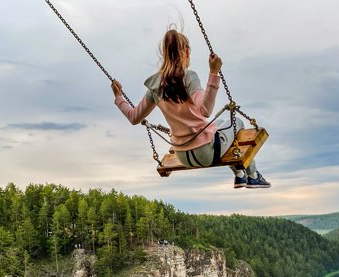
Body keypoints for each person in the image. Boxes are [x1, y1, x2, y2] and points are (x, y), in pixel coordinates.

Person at [111, 28, 270, 189]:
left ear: (165, 54)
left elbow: (133, 117)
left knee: (222, 122)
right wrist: (214, 73)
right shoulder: (188, 77)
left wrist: (119, 97)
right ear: (186, 52)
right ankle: (253, 175)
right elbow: (205, 110)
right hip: (207, 153)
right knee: (237, 122)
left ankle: (240, 175)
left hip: (182, 156)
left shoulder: (155, 87)